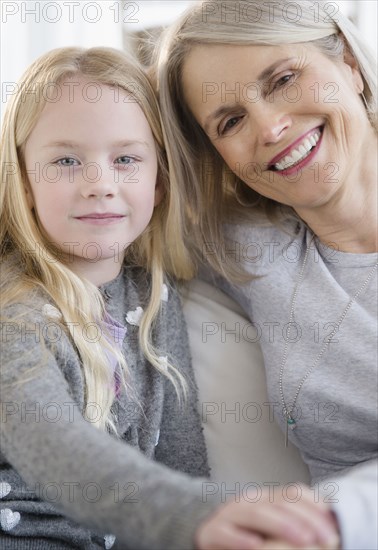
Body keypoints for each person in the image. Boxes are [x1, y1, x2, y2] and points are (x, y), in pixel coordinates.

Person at [0, 46, 338, 549]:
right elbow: (55, 447)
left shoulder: (153, 297)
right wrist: (197, 515)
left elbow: (183, 461)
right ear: (25, 181)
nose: (101, 184)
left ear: (159, 182)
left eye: (127, 159)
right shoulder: (16, 314)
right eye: (66, 160)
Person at [156, 1, 378, 549]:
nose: (271, 127)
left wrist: (336, 519)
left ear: (348, 61)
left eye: (283, 79)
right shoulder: (246, 252)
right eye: (230, 121)